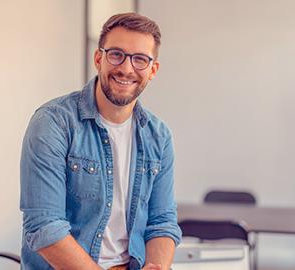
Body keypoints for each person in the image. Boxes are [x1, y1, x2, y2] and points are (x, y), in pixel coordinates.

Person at [20, 12, 181, 270]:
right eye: (116, 54)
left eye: (140, 59)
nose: (127, 68)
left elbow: (161, 222)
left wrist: (156, 266)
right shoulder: (53, 123)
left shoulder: (159, 136)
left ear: (153, 70)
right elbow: (44, 226)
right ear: (99, 59)